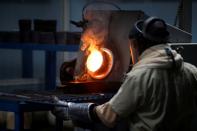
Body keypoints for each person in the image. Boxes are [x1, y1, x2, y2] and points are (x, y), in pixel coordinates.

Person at [52, 16, 197, 131]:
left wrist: (70, 109)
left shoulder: (139, 76)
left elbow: (108, 116)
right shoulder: (191, 71)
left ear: (135, 45)